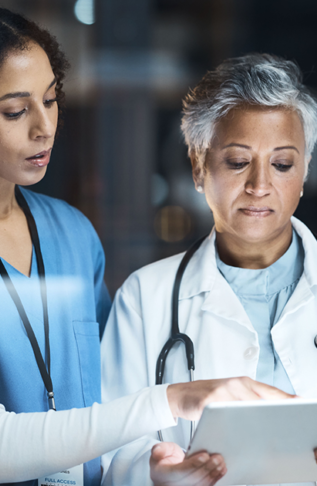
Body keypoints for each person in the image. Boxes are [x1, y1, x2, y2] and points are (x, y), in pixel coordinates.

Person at [0, 7, 293, 485]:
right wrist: (173, 398)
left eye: (51, 100)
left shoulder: (71, 233)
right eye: (15, 111)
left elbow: (104, 410)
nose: (44, 127)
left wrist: (156, 470)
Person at [101, 53, 317, 486]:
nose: (259, 185)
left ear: (305, 170)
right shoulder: (146, 297)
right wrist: (156, 473)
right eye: (238, 162)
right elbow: (111, 451)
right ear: (199, 167)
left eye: (282, 164)